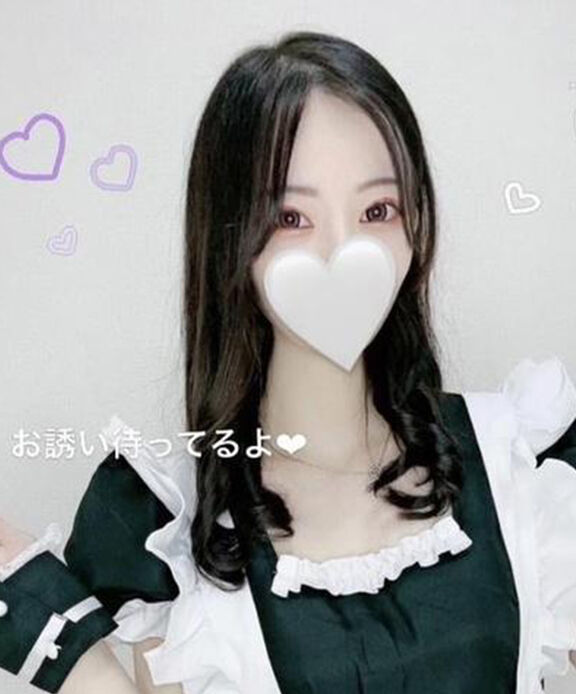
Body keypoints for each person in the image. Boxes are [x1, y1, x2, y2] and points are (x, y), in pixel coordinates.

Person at [1, 30, 576, 694]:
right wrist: (84, 671)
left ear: (416, 223)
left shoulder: (520, 460)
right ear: (231, 240)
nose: (343, 250)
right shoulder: (162, 523)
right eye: (292, 218)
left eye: (378, 210)